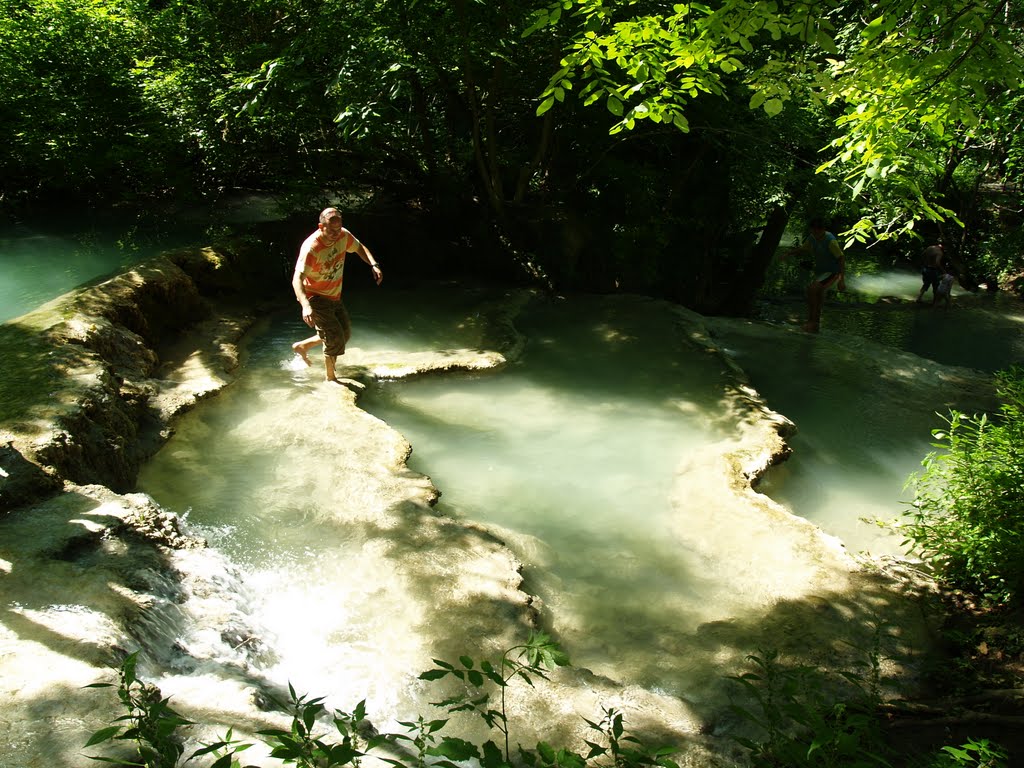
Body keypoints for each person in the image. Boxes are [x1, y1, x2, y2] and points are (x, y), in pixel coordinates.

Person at [291, 207, 383, 382]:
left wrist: (373, 264)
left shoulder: (343, 235)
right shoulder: (312, 248)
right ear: (320, 226)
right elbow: (297, 278)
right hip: (314, 296)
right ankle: (330, 379)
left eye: (338, 228)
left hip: (333, 295)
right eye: (331, 230)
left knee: (344, 333)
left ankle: (303, 346)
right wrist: (305, 306)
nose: (335, 233)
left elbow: (358, 247)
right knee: (334, 337)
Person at [785, 218, 846, 333]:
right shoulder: (812, 238)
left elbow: (841, 258)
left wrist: (841, 280)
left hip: (832, 272)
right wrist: (789, 253)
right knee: (817, 294)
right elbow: (804, 248)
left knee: (812, 289)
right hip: (821, 272)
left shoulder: (830, 241)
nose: (816, 234)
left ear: (823, 229)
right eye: (813, 231)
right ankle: (815, 324)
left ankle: (812, 322)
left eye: (818, 231)